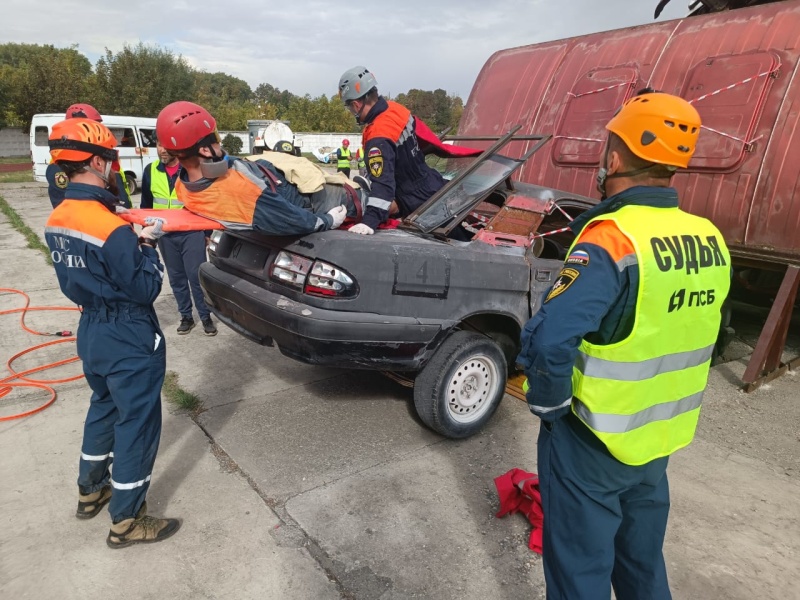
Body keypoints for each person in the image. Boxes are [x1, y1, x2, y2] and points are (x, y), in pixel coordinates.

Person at [517, 93, 731, 598]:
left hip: (593, 438)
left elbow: (552, 337)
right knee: (641, 564)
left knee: (579, 572)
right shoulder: (708, 237)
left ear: (615, 158)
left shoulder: (612, 237)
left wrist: (548, 405)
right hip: (658, 441)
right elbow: (708, 331)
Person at [44, 118, 180, 548]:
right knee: (136, 422)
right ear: (99, 162)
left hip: (92, 329)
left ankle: (90, 491)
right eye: (111, 160)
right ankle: (126, 520)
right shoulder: (112, 227)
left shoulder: (59, 216)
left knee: (103, 407)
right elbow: (144, 287)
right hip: (128, 332)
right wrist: (147, 245)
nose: (114, 168)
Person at [156, 101, 355, 235]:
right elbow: (291, 219)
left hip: (287, 177)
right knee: (369, 200)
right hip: (318, 198)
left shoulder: (183, 187)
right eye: (215, 138)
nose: (220, 143)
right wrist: (327, 220)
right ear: (205, 151)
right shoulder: (242, 191)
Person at [338, 66, 447, 235]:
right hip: (432, 184)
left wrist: (369, 221)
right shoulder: (397, 110)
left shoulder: (378, 134)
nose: (352, 112)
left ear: (356, 104)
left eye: (350, 108)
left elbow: (383, 184)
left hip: (417, 203)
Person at [141, 144, 217, 336]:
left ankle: (205, 316)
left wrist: (207, 232)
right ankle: (186, 316)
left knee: (196, 277)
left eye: (166, 146)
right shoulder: (151, 170)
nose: (162, 150)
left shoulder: (190, 170)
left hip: (191, 234)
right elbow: (146, 204)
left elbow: (204, 202)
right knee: (176, 278)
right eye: (158, 145)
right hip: (165, 234)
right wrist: (148, 232)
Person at [46, 103, 132, 210]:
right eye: (92, 126)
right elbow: (68, 209)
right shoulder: (59, 166)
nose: (98, 131)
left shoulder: (103, 155)